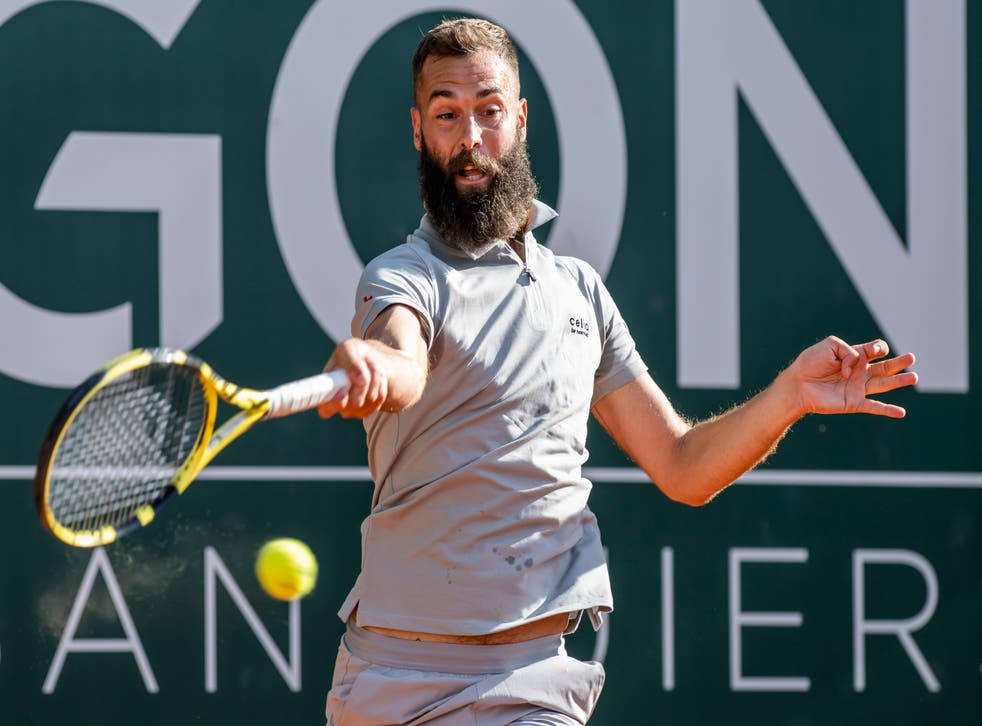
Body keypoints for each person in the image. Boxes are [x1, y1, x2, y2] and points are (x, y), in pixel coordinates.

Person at [316, 18, 917, 726]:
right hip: (391, 682)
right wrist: (375, 363)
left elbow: (683, 466)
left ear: (520, 118)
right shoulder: (402, 276)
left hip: (532, 685)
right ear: (420, 131)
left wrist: (790, 395)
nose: (470, 138)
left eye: (488, 110)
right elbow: (401, 358)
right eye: (447, 115)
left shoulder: (579, 292)